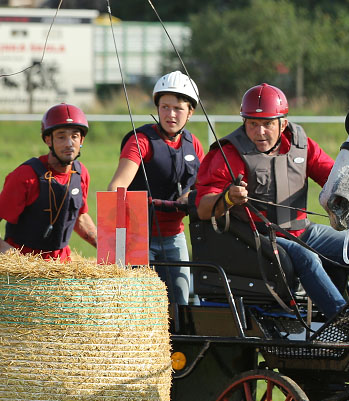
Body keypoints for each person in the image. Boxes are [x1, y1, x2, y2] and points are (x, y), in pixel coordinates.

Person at [195, 83, 349, 318]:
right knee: (307, 257)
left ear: (283, 123)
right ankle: (343, 320)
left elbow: (334, 181)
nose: (260, 132)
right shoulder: (229, 154)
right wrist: (228, 197)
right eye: (252, 123)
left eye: (268, 124)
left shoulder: (302, 145)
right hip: (259, 238)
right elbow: (202, 208)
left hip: (303, 233)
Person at [107, 70, 204, 305]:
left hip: (174, 235)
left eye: (178, 108)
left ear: (190, 112)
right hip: (138, 236)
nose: (170, 114)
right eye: (165, 107)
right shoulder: (141, 141)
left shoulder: (194, 145)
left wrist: (188, 196)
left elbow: (201, 188)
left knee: (180, 304)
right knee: (138, 306)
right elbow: (116, 187)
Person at [0, 103, 97, 261]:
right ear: (48, 140)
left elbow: (80, 217)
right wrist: (13, 258)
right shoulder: (25, 175)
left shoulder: (81, 173)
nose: (69, 143)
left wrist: (111, 249)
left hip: (61, 266)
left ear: (82, 140)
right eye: (61, 137)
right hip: (23, 269)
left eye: (74, 136)